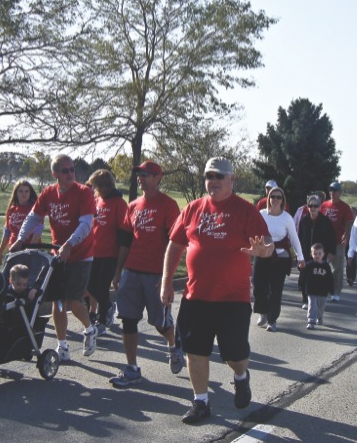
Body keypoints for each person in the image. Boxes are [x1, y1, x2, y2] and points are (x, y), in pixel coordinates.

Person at [160, 157, 274, 424]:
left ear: (231, 180)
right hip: (196, 296)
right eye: (209, 176)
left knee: (234, 355)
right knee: (195, 351)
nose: (213, 181)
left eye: (219, 176)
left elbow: (267, 242)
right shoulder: (192, 209)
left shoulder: (245, 210)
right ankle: (201, 402)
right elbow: (175, 245)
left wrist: (263, 251)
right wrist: (166, 281)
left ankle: (241, 376)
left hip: (233, 299)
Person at [10, 154, 97, 362]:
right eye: (65, 170)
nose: (70, 174)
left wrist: (69, 244)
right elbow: (34, 217)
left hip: (81, 255)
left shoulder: (84, 193)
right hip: (58, 255)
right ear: (55, 174)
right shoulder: (48, 194)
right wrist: (21, 239)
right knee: (58, 302)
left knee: (74, 301)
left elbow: (86, 224)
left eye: (72, 169)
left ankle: (89, 329)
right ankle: (62, 345)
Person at [110, 160, 183, 387]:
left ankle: (173, 344)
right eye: (139, 174)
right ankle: (132, 368)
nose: (141, 178)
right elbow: (125, 241)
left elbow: (176, 241)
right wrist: (118, 270)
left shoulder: (168, 206)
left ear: (157, 177)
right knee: (128, 320)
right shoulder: (133, 206)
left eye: (146, 174)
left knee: (159, 324)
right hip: (132, 270)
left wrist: (168, 277)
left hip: (156, 274)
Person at [253, 187, 305, 332]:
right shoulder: (261, 214)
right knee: (258, 286)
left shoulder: (286, 218)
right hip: (263, 255)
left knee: (275, 289)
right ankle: (263, 312)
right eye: (273, 197)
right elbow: (251, 231)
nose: (275, 200)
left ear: (283, 201)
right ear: (268, 198)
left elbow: (294, 238)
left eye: (278, 197)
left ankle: (272, 319)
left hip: (280, 258)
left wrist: (300, 257)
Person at [85, 169, 127, 336]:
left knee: (102, 286)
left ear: (105, 185)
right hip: (93, 251)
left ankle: (102, 319)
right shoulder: (96, 201)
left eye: (97, 186)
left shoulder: (119, 204)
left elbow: (123, 231)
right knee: (89, 285)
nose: (95, 189)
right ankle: (107, 306)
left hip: (110, 253)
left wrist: (120, 261)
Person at [297, 194, 336, 308]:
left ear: (319, 207)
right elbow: (299, 237)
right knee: (305, 276)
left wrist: (331, 252)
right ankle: (306, 300)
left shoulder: (325, 221)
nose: (313, 208)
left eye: (315, 206)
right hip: (306, 254)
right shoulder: (304, 221)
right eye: (310, 205)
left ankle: (319, 299)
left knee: (318, 278)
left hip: (320, 255)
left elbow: (331, 238)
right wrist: (298, 254)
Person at [320, 181, 354, 302]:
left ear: (339, 192)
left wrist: (347, 233)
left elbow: (349, 222)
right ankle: (325, 288)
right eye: (330, 190)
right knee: (323, 265)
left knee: (337, 268)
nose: (332, 193)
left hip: (338, 241)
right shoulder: (324, 205)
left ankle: (336, 291)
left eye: (335, 191)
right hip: (324, 241)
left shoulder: (344, 207)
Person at [0, 180, 42, 265]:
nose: (24, 194)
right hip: (13, 251)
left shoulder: (35, 209)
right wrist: (0, 253)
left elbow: (38, 231)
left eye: (26, 191)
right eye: (20, 191)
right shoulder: (12, 209)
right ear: (16, 193)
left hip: (31, 252)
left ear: (30, 193)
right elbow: (7, 232)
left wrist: (30, 250)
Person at [304, 243, 334, 330]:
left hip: (323, 291)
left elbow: (330, 279)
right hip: (312, 290)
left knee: (321, 307)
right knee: (312, 305)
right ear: (312, 254)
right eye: (315, 253)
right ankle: (311, 321)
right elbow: (304, 275)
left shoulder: (326, 266)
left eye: (319, 253)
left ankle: (320, 317)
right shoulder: (309, 265)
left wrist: (331, 290)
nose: (317, 255)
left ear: (323, 254)